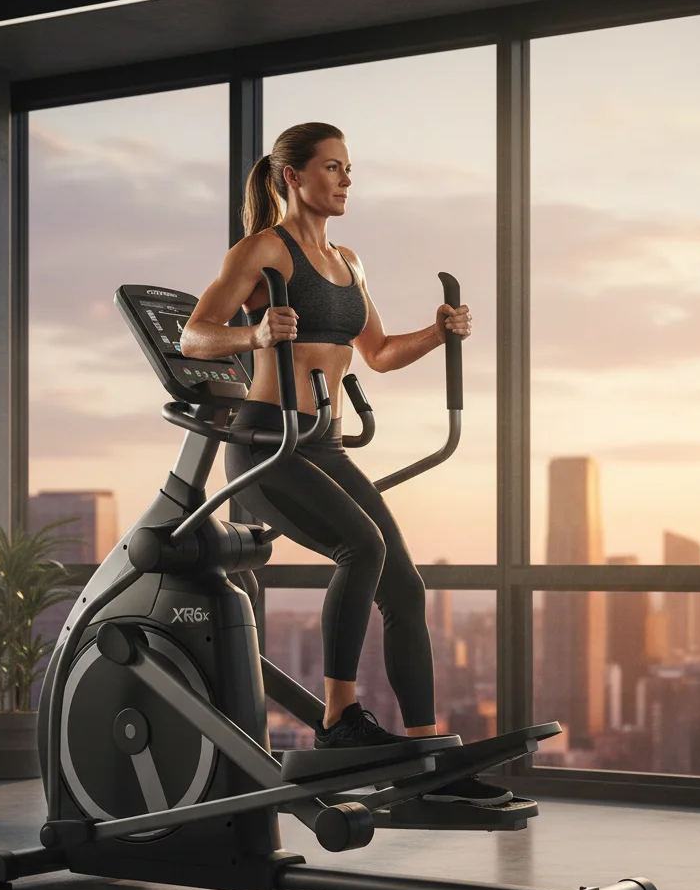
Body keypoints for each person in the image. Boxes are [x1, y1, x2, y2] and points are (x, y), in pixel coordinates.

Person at [180, 122, 510, 805]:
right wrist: (255, 331)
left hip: (323, 441)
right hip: (267, 441)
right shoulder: (262, 250)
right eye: (332, 168)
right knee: (360, 546)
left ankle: (426, 757)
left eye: (349, 169)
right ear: (292, 177)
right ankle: (338, 721)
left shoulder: (350, 262)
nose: (345, 180)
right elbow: (195, 336)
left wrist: (439, 331)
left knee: (406, 587)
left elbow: (381, 353)